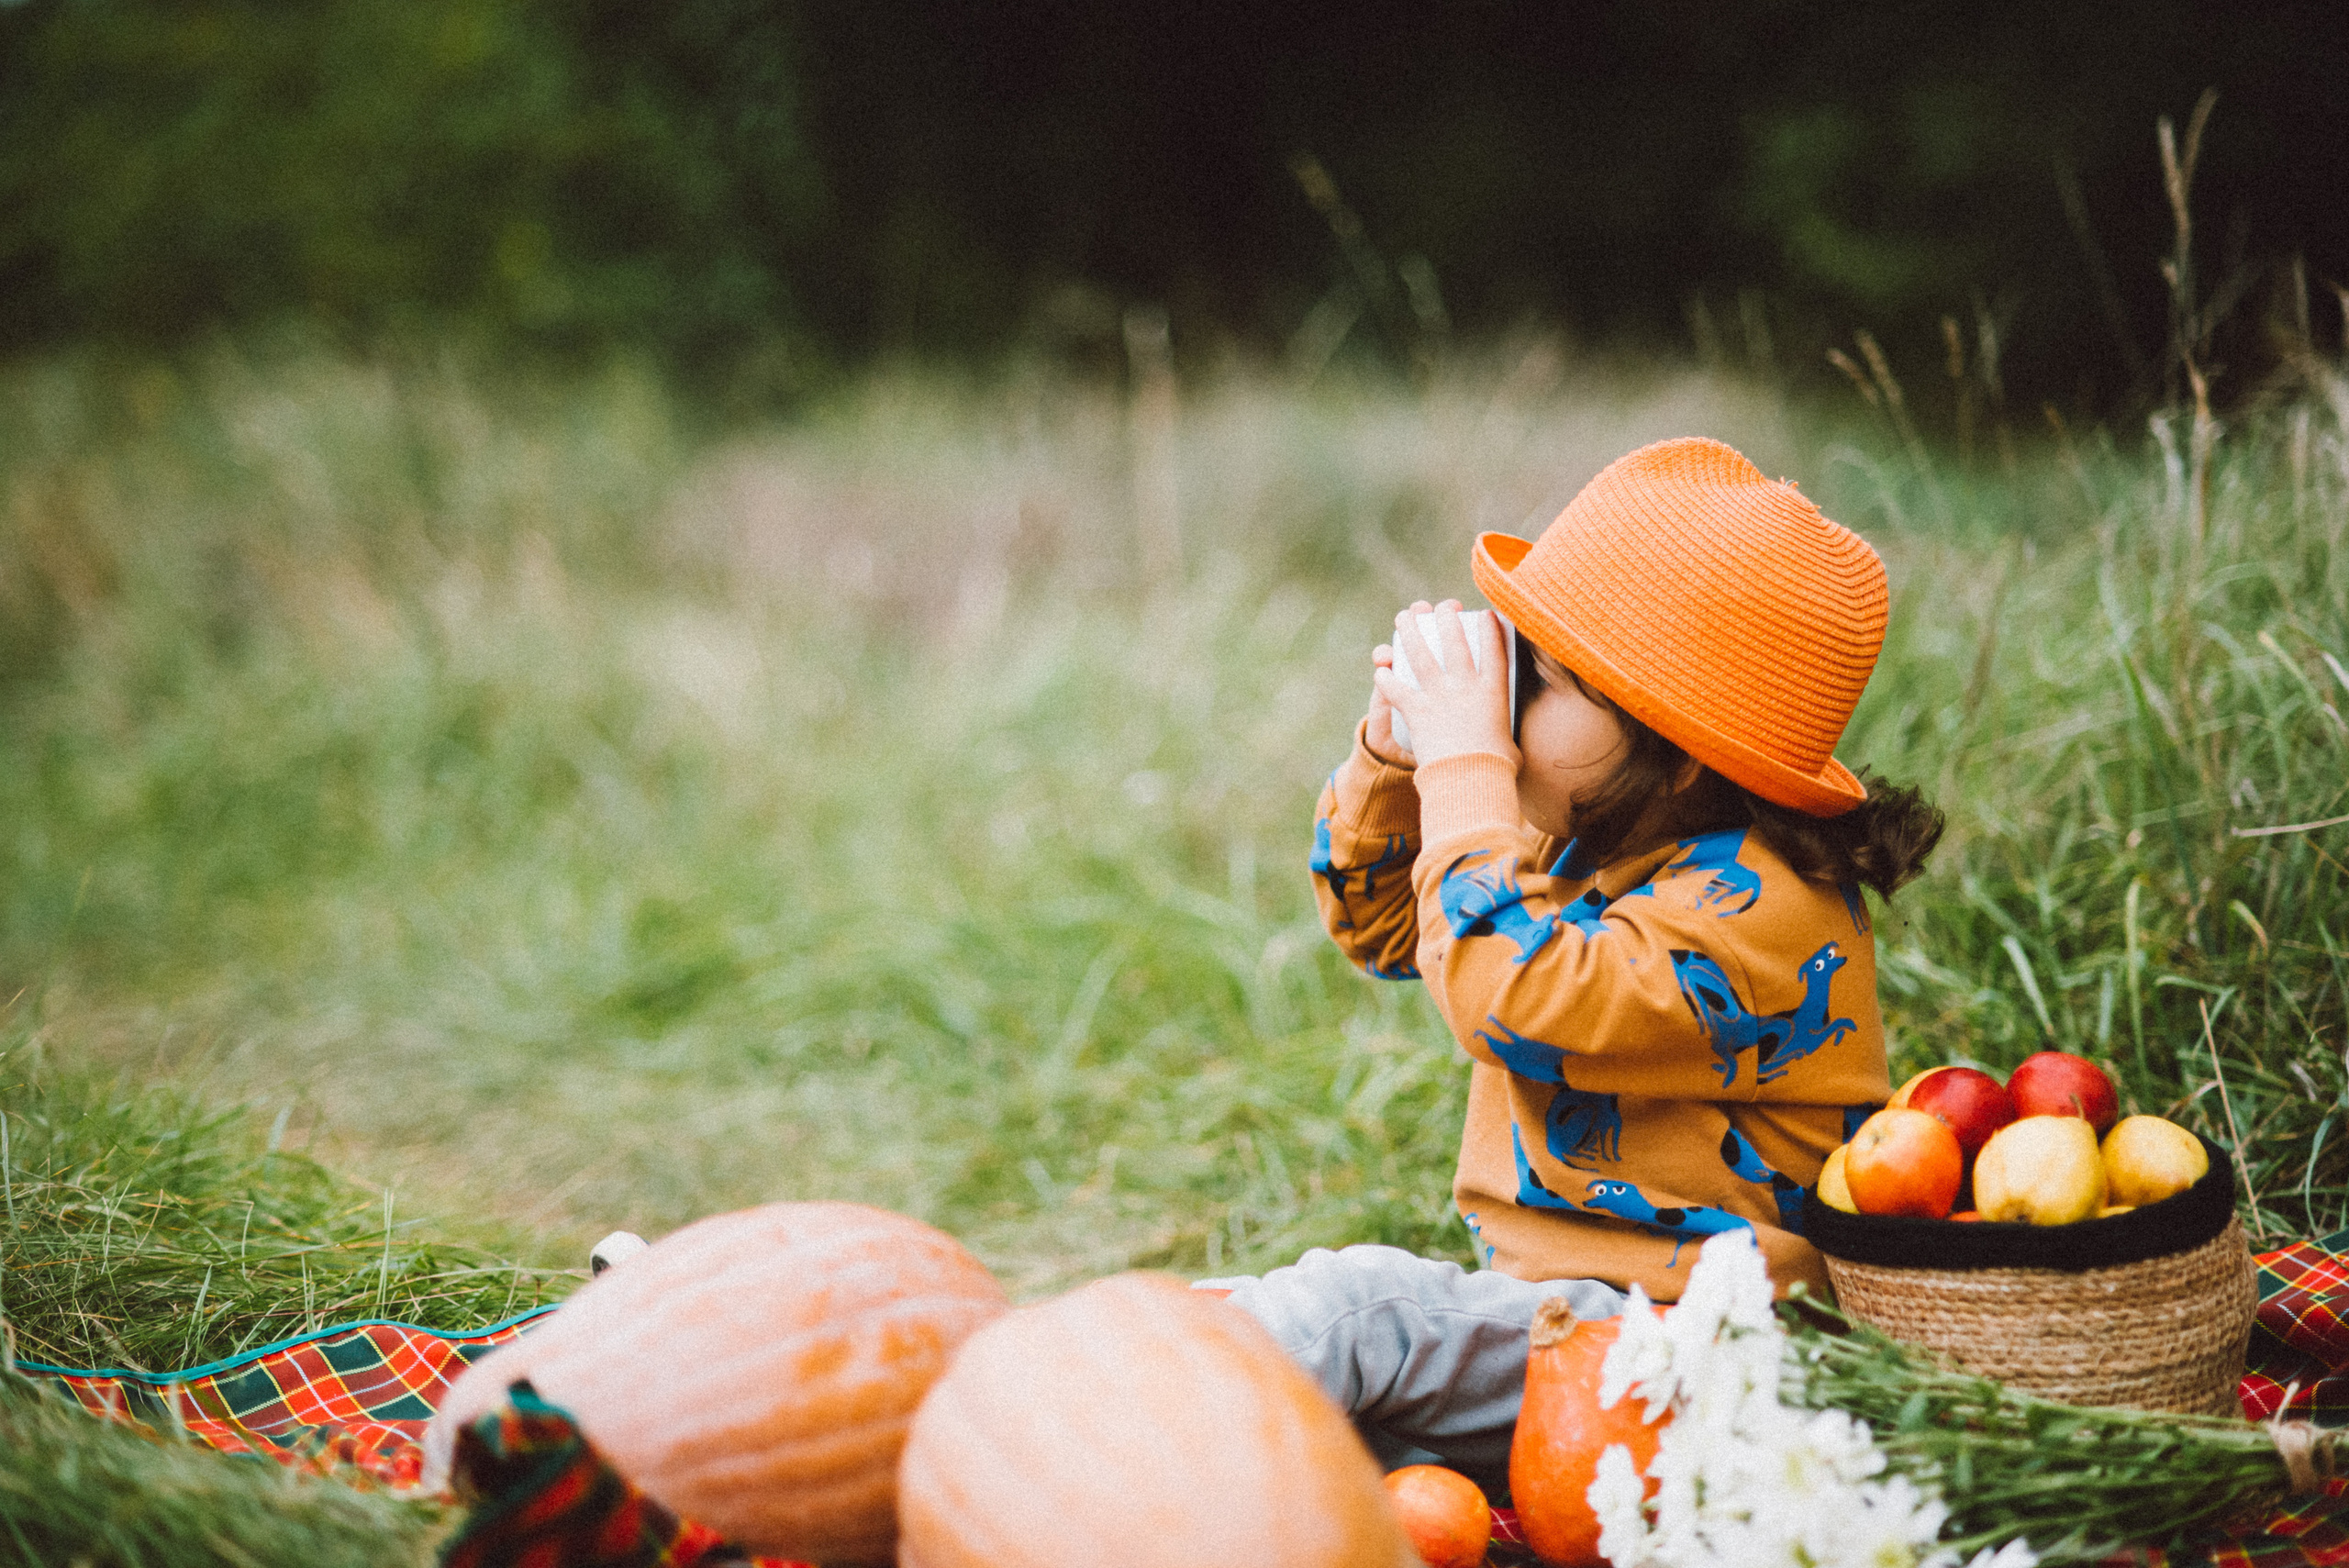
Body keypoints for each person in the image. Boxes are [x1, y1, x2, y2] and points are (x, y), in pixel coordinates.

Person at [1198, 436, 1944, 1484]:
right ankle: (1082, 1408)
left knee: (1357, 1314)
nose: (1502, 708)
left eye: (1537, 679)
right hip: (1567, 1322)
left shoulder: (1765, 908)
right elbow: (1385, 931)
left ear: (1679, 747)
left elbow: (1509, 989)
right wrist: (1398, 761)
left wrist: (1468, 765)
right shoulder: (1602, 831)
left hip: (1711, 1349)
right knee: (1271, 1350)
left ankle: (1091, 1454)